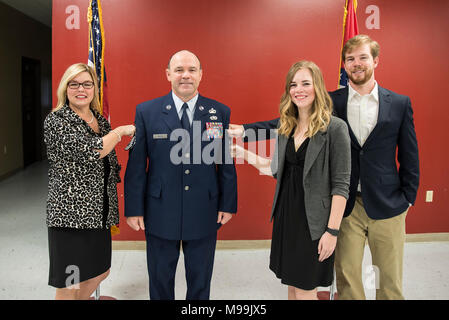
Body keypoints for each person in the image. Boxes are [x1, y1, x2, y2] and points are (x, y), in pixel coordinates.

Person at [228, 34, 420, 300]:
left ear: (375, 60)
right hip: (345, 207)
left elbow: (410, 154)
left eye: (363, 57)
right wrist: (245, 132)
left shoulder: (398, 103)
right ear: (344, 65)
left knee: (388, 280)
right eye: (350, 59)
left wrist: (409, 198)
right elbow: (286, 122)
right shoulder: (331, 102)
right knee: (348, 279)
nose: (356, 63)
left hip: (388, 204)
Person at [230, 60, 351, 300]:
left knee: (306, 288)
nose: (299, 89)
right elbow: (276, 169)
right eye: (293, 85)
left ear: (317, 87)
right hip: (287, 216)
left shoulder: (335, 129)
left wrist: (332, 232)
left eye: (306, 83)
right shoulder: (288, 125)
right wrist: (243, 153)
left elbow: (341, 186)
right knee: (293, 286)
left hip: (314, 223)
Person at [124, 50, 237, 300]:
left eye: (191, 70)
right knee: (160, 280)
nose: (185, 75)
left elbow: (225, 161)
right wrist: (134, 208)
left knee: (200, 282)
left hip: (204, 209)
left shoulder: (218, 112)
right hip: (159, 210)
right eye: (179, 70)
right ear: (168, 75)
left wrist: (227, 203)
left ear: (200, 75)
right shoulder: (147, 112)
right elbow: (136, 165)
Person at [43, 63, 135, 300]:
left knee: (100, 271)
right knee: (70, 282)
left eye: (87, 83)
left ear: (94, 88)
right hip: (70, 216)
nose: (80, 89)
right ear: (65, 88)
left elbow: (109, 162)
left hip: (99, 214)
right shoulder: (57, 121)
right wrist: (121, 132)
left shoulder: (99, 120)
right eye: (74, 84)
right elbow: (92, 150)